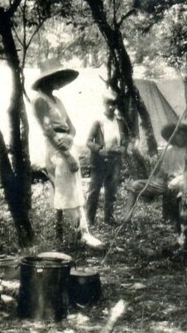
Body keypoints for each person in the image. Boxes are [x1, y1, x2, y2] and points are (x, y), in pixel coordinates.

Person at [31, 58, 88, 242]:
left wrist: (70, 137)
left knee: (75, 188)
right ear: (46, 79)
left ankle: (83, 231)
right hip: (57, 147)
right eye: (55, 77)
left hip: (68, 142)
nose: (58, 81)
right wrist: (67, 154)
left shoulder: (57, 101)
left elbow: (71, 126)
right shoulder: (40, 100)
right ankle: (78, 234)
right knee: (66, 190)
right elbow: (48, 130)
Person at [124, 122, 187, 230]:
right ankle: (126, 220)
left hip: (182, 182)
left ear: (186, 137)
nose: (179, 137)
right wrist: (153, 180)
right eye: (177, 134)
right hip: (165, 181)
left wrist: (176, 180)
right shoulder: (168, 150)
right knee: (134, 185)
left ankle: (180, 222)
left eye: (182, 135)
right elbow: (163, 170)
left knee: (176, 187)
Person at [86, 89, 129, 226]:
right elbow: (88, 141)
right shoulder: (98, 121)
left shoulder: (120, 121)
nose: (111, 107)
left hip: (115, 160)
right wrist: (99, 149)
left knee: (111, 190)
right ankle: (89, 219)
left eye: (114, 104)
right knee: (94, 190)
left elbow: (126, 138)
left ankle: (109, 218)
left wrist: (123, 147)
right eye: (108, 104)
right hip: (100, 161)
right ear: (103, 104)